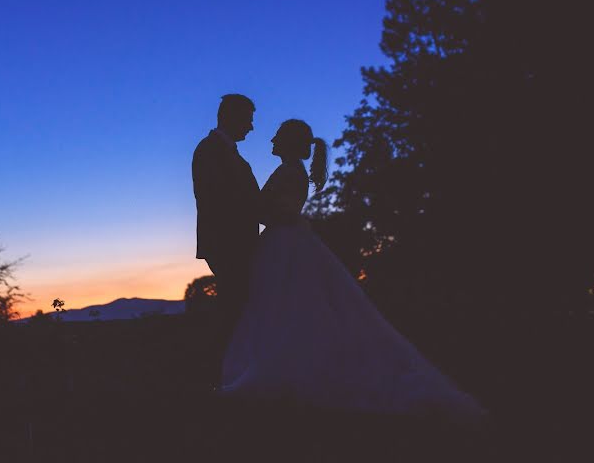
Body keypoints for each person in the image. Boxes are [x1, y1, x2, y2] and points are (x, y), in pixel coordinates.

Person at [221, 119, 486, 421]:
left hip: (284, 244)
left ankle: (284, 372)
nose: (271, 141)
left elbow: (284, 211)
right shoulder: (294, 171)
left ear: (289, 143)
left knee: (284, 308)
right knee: (289, 308)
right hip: (287, 242)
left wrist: (253, 207)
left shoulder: (288, 171)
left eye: (277, 137)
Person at [192, 94, 260, 347]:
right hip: (229, 244)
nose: (251, 127)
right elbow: (218, 199)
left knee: (239, 308)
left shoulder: (223, 151)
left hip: (235, 243)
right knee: (235, 310)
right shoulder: (210, 150)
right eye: (248, 120)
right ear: (233, 117)